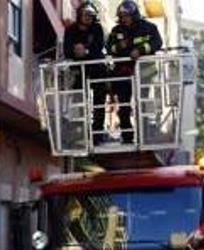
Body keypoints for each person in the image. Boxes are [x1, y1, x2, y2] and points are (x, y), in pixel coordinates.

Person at [106, 0, 162, 143]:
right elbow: (109, 47)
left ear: (134, 15)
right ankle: (127, 136)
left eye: (127, 16)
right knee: (123, 107)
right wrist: (121, 48)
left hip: (144, 73)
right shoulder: (116, 30)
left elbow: (157, 43)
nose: (124, 19)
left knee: (141, 105)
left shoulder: (149, 28)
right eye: (122, 16)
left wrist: (140, 50)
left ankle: (143, 137)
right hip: (122, 74)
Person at [62, 2, 107, 144]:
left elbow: (98, 47)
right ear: (80, 15)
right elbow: (67, 50)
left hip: (96, 68)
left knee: (99, 101)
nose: (88, 18)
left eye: (91, 15)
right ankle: (80, 131)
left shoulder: (97, 28)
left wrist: (85, 51)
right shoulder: (70, 30)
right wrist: (76, 51)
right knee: (78, 99)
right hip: (78, 69)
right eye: (86, 15)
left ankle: (98, 133)